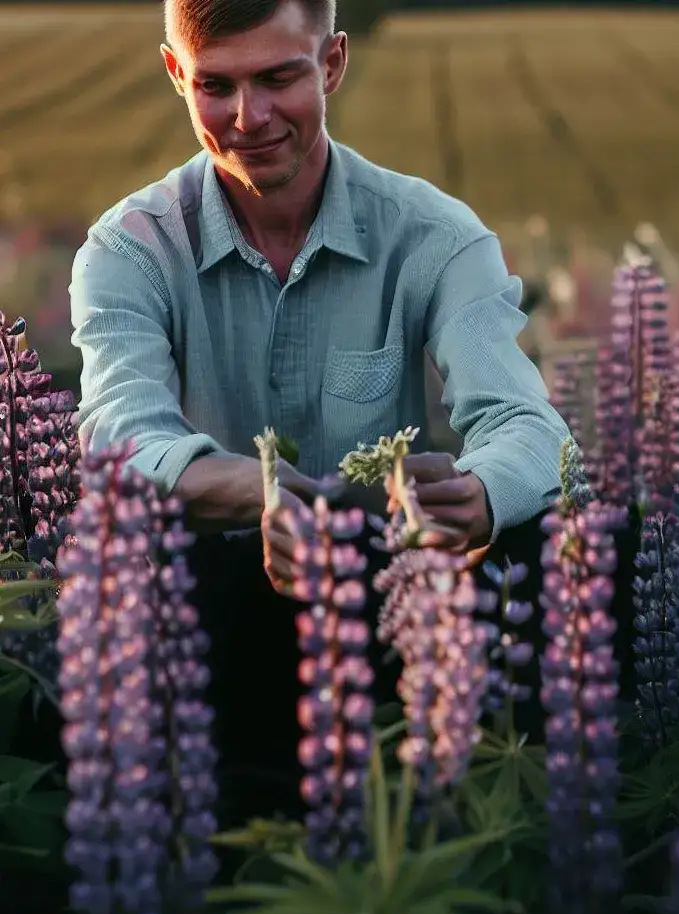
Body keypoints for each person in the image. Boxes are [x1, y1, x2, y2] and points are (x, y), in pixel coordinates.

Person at [68, 0, 569, 827]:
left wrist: (474, 495)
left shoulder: (433, 235)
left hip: (389, 612)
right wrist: (254, 490)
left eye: (278, 78)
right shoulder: (131, 248)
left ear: (332, 63)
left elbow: (528, 426)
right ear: (174, 75)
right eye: (216, 86)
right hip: (200, 640)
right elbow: (119, 435)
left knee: (556, 539)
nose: (248, 118)